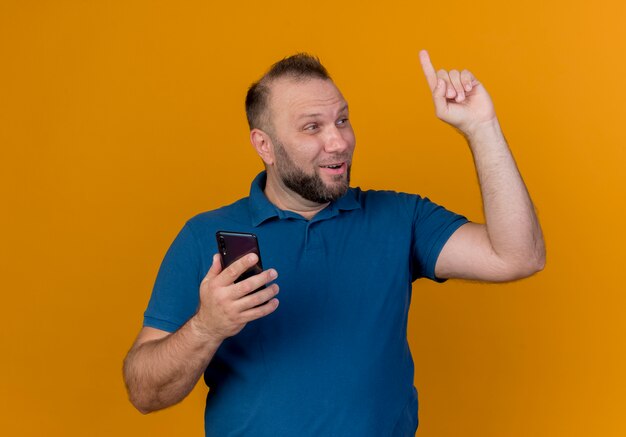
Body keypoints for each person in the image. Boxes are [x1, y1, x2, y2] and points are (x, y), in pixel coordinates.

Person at [123, 50, 545, 436]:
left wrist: (481, 126)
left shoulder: (401, 217)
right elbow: (145, 393)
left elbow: (518, 256)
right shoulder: (204, 237)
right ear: (264, 145)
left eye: (342, 120)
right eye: (313, 127)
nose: (338, 141)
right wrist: (206, 326)